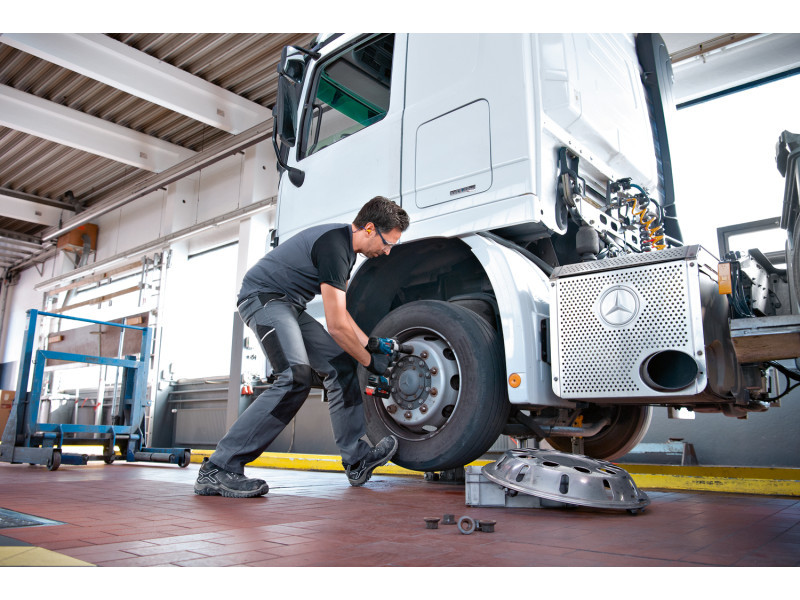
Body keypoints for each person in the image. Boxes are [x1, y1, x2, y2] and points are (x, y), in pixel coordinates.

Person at [194, 196, 410, 497]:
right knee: (294, 377)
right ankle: (219, 467)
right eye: (388, 243)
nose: (387, 251)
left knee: (341, 365)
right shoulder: (335, 247)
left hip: (290, 306)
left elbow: (342, 314)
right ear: (370, 229)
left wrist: (369, 343)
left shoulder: (346, 252)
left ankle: (357, 459)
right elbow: (336, 327)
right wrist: (370, 362)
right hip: (263, 298)